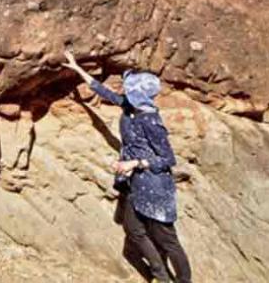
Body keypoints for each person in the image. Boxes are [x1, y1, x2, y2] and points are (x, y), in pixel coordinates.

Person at [62, 51, 192, 283]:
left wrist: (135, 163)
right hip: (134, 184)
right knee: (133, 230)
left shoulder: (151, 121)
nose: (125, 92)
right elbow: (104, 92)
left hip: (155, 187)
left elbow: (167, 159)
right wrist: (76, 68)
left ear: (139, 94)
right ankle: (161, 276)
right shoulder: (130, 108)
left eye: (130, 89)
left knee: (167, 240)